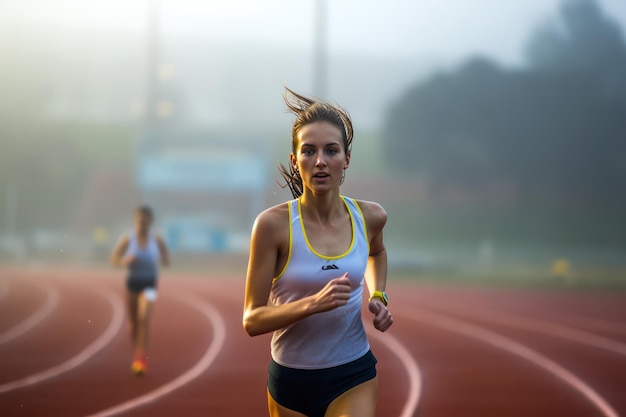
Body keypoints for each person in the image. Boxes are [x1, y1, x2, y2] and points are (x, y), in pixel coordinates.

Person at [243, 88, 394, 417]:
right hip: (291, 381)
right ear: (296, 161)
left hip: (353, 372)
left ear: (346, 159)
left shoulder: (370, 217)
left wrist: (378, 294)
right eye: (309, 151)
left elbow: (376, 253)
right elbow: (252, 319)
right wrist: (313, 303)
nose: (321, 161)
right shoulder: (273, 225)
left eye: (331, 150)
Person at [110, 205, 169, 375]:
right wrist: (125, 262)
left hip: (149, 284)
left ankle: (140, 358)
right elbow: (114, 258)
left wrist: (164, 259)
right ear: (135, 221)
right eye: (139, 221)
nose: (142, 224)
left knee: (144, 318)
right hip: (132, 284)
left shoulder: (156, 239)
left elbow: (165, 254)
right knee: (133, 325)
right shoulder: (128, 239)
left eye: (145, 221)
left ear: (150, 222)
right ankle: (138, 349)